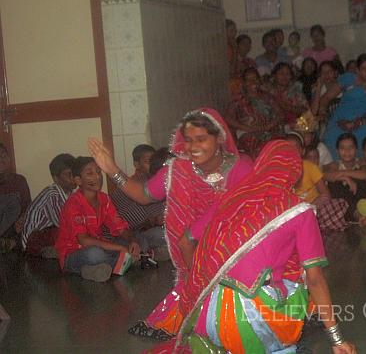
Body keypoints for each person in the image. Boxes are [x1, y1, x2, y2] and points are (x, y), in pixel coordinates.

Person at [145, 140, 357, 354]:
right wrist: (337, 339)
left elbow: (186, 240)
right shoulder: (299, 210)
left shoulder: (231, 198)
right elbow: (315, 278)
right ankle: (276, 346)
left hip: (206, 315)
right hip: (249, 322)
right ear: (296, 171)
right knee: (305, 274)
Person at [89, 107, 253, 337]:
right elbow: (144, 195)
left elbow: (249, 214)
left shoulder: (240, 168)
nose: (193, 147)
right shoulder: (178, 169)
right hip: (191, 256)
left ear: (219, 138)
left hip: (237, 257)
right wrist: (112, 169)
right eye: (188, 140)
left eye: (201, 139)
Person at [55, 157, 141, 282]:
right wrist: (120, 249)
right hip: (74, 252)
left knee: (137, 241)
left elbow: (121, 228)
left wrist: (132, 241)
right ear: (78, 180)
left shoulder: (104, 199)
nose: (97, 177)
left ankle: (94, 270)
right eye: (90, 173)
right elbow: (84, 241)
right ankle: (126, 262)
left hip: (99, 244)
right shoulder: (73, 203)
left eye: (98, 172)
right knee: (95, 254)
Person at [323, 53, 366, 159]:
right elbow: (326, 98)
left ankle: (361, 168)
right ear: (357, 70)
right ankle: (339, 169)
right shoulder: (348, 78)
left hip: (363, 120)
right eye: (364, 68)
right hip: (340, 119)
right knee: (333, 135)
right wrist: (326, 116)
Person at [111, 145, 167, 256]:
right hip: (126, 236)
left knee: (166, 234)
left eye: (154, 161)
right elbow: (126, 222)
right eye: (147, 161)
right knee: (143, 243)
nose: (152, 165)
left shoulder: (154, 181)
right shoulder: (130, 186)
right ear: (137, 165)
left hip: (144, 233)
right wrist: (154, 220)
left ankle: (151, 254)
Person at [287, 133, 349, 231]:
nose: (292, 151)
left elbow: (326, 195)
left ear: (302, 151)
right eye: (287, 148)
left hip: (313, 209)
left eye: (295, 148)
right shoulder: (280, 170)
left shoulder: (310, 167)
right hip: (291, 213)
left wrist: (308, 208)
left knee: (338, 204)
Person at [22, 153, 76, 257]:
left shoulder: (71, 194)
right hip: (32, 242)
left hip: (48, 234)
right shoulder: (52, 195)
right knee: (68, 233)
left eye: (74, 173)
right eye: (68, 174)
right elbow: (64, 224)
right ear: (56, 178)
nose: (73, 177)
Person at [225, 68, 283, 157]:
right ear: (243, 82)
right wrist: (247, 128)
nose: (252, 82)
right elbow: (228, 118)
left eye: (255, 79)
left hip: (269, 130)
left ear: (259, 80)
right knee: (255, 145)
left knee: (277, 146)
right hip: (249, 133)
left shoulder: (267, 97)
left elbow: (280, 114)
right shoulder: (239, 99)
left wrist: (269, 126)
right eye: (248, 80)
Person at [324, 133, 366, 221]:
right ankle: (354, 214)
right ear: (337, 151)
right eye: (343, 148)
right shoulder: (334, 165)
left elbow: (365, 174)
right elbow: (324, 175)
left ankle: (356, 213)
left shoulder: (361, 163)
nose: (347, 151)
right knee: (335, 183)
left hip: (359, 204)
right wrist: (345, 178)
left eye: (350, 147)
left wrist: (344, 173)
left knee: (359, 180)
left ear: (356, 149)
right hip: (340, 208)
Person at [0, 143, 31, 252]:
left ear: (9, 158)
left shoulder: (19, 180)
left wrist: (22, 219)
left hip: (15, 229)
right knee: (11, 201)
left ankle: (11, 243)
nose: (1, 160)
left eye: (3, 156)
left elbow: (28, 205)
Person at [269, 62, 309, 126]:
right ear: (274, 75)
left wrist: (288, 107)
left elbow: (306, 111)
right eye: (281, 73)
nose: (285, 76)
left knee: (309, 123)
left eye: (288, 74)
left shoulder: (296, 91)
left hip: (295, 125)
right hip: (274, 126)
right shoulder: (268, 92)